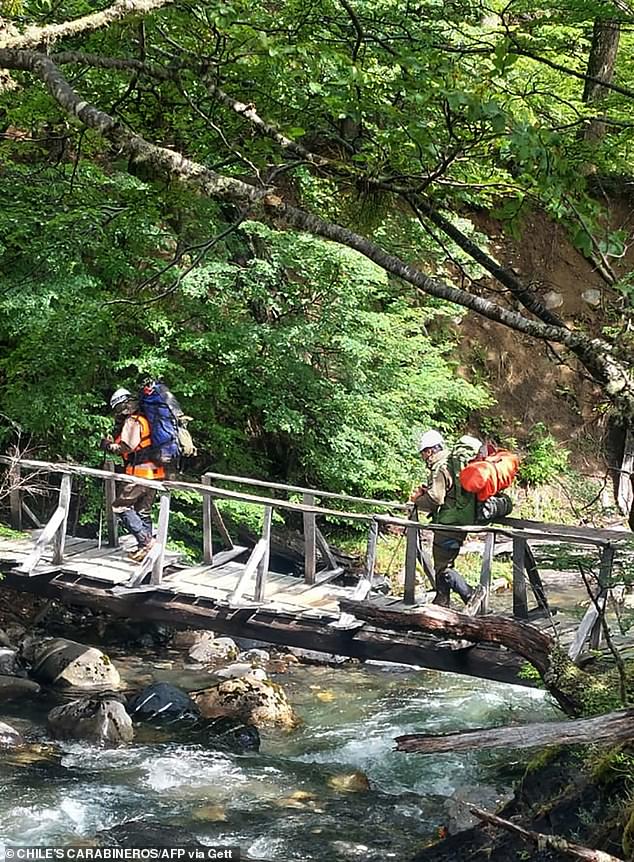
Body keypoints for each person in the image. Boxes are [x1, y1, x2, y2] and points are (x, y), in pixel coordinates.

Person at [410, 429, 480, 607]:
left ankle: (469, 595)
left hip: (449, 523)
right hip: (459, 520)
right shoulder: (450, 463)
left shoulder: (440, 467)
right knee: (443, 562)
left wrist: (417, 499)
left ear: (430, 450)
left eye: (424, 453)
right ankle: (442, 600)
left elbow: (436, 498)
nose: (424, 457)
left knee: (443, 567)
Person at [100, 388, 165, 562]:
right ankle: (144, 550)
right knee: (143, 511)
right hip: (155, 471)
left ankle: (147, 542)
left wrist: (108, 445)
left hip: (140, 473)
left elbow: (127, 447)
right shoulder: (146, 419)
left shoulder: (133, 421)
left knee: (120, 506)